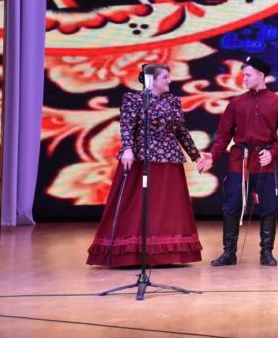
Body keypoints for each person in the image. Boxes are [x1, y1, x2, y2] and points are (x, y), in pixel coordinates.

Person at [87, 64, 204, 267]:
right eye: (165, 77)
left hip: (169, 161)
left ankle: (166, 253)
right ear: (151, 79)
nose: (169, 80)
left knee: (167, 208)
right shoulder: (133, 99)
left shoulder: (173, 101)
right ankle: (133, 252)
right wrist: (127, 149)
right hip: (143, 159)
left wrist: (196, 156)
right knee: (138, 206)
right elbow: (126, 126)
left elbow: (181, 131)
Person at [196, 55, 278, 267]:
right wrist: (213, 155)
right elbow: (223, 134)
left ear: (261, 75)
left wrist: (274, 152)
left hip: (266, 161)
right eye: (243, 75)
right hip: (239, 161)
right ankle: (229, 252)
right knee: (232, 204)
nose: (244, 79)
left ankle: (266, 252)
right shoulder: (236, 103)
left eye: (248, 75)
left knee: (269, 205)